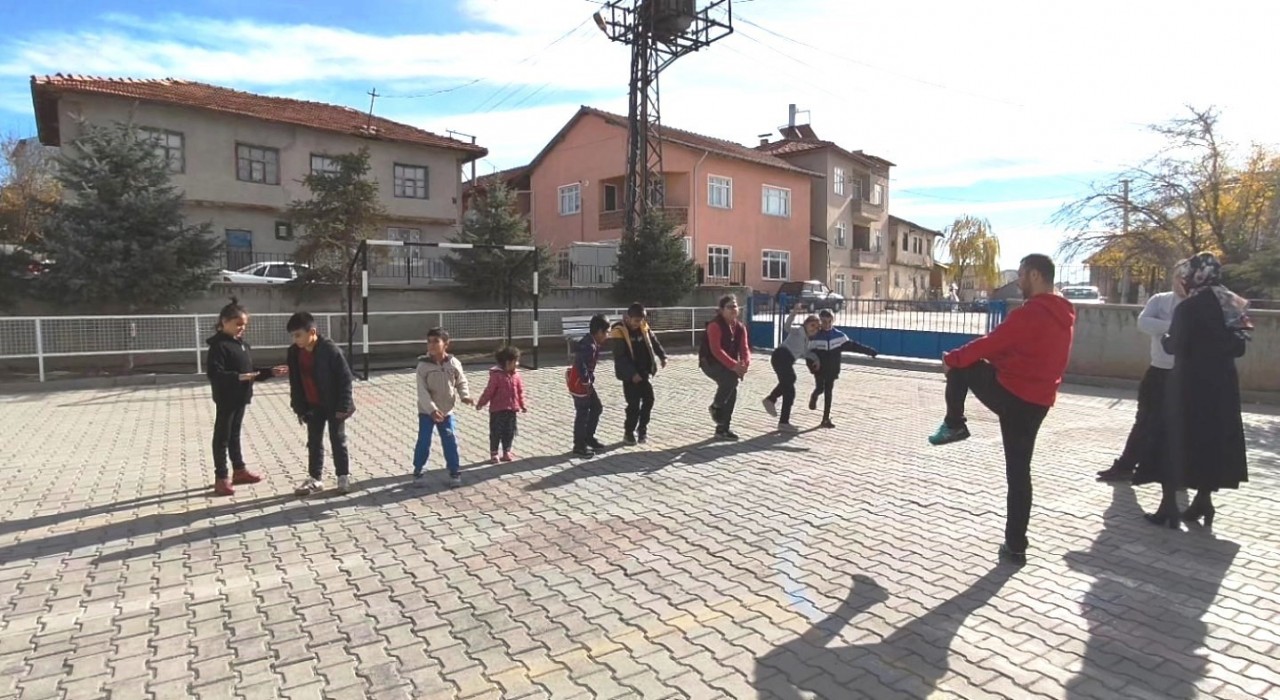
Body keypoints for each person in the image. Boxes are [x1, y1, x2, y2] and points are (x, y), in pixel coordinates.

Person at [926, 254, 1076, 565]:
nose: (1018, 282)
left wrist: (951, 358)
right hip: (1039, 403)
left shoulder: (1032, 312)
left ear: (1034, 275)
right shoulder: (1064, 314)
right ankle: (1016, 545)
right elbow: (1032, 354)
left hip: (1014, 396)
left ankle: (954, 423)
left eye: (1021, 275)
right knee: (1020, 475)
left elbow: (991, 344)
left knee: (962, 366)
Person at [1145, 253, 1251, 528]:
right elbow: (1239, 346)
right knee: (1211, 440)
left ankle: (1168, 506)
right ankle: (1203, 501)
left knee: (1172, 438)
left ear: (1196, 275)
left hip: (1188, 384)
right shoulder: (1233, 303)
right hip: (1222, 386)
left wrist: (1169, 339)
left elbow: (1174, 345)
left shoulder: (1189, 307)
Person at [1096, 269, 1187, 483]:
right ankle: (1126, 465)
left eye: (1187, 277)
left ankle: (1178, 475)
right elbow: (1143, 322)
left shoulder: (1196, 306)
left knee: (1179, 425)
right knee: (1144, 420)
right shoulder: (1160, 300)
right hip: (1158, 370)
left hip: (1185, 374)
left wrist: (1167, 327)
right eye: (1179, 276)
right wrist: (1176, 327)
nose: (1182, 282)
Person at [205, 298, 287, 496]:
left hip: (241, 397)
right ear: (224, 322)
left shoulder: (241, 345)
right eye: (238, 324)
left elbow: (250, 371)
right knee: (222, 437)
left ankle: (239, 470)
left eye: (244, 325)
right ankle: (221, 477)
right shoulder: (218, 346)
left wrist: (269, 372)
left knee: (234, 435)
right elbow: (214, 373)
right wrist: (238, 377)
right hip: (226, 397)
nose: (242, 328)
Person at [286, 312, 356, 496]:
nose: (295, 340)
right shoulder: (294, 352)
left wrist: (343, 406)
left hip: (335, 405)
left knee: (337, 440)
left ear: (312, 332)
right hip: (312, 405)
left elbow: (345, 379)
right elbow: (295, 381)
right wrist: (299, 407)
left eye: (298, 335)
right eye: (293, 336)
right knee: (314, 441)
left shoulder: (330, 350)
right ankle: (315, 479)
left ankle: (343, 477)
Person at [413, 328, 473, 487]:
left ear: (446, 344)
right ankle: (419, 470)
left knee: (450, 440)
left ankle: (454, 472)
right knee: (424, 441)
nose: (431, 345)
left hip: (446, 412)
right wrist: (431, 409)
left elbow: (461, 381)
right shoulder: (423, 366)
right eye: (429, 341)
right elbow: (422, 391)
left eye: (436, 341)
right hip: (427, 412)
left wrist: (464, 395)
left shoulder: (453, 363)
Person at [806, 309, 879, 429]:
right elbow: (809, 355)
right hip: (819, 370)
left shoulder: (839, 336)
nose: (827, 324)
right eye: (824, 322)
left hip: (832, 369)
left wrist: (870, 351)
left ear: (833, 321)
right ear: (820, 322)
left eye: (830, 322)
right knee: (820, 389)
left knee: (828, 392)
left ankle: (825, 419)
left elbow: (854, 346)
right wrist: (812, 368)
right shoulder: (815, 337)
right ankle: (814, 396)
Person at [609, 303, 668, 445]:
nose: (638, 323)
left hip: (644, 372)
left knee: (649, 400)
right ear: (628, 318)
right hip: (630, 376)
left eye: (641, 320)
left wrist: (662, 356)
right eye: (636, 320)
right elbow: (620, 357)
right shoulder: (619, 331)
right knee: (633, 405)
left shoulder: (643, 326)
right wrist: (632, 373)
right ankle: (628, 432)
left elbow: (654, 341)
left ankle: (642, 429)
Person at [699, 294, 751, 441]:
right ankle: (716, 406)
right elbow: (716, 350)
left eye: (735, 306)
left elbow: (745, 349)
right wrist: (734, 366)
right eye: (729, 306)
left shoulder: (740, 327)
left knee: (732, 392)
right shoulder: (715, 325)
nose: (733, 309)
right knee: (730, 379)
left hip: (729, 364)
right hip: (710, 362)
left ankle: (722, 428)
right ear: (721, 310)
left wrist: (744, 364)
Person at [762, 312, 820, 432]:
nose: (814, 328)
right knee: (791, 380)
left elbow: (807, 354)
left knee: (789, 390)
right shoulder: (799, 330)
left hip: (785, 360)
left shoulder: (806, 341)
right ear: (806, 324)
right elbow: (787, 327)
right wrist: (793, 313)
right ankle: (771, 401)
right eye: (812, 325)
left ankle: (782, 420)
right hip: (781, 355)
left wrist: (816, 359)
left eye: (817, 327)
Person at [566, 314, 610, 457]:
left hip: (584, 383)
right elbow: (580, 362)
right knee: (583, 413)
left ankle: (588, 437)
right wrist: (586, 380)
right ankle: (579, 445)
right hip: (580, 384)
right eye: (606, 332)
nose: (607, 336)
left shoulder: (591, 342)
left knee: (596, 407)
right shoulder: (589, 345)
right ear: (598, 332)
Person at [476, 345, 527, 464]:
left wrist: (522, 404)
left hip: (512, 409)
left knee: (509, 432)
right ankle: (494, 453)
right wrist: (481, 403)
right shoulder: (496, 375)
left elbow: (520, 391)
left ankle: (506, 451)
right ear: (508, 362)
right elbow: (489, 391)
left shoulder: (516, 375)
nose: (517, 363)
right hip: (497, 410)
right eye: (515, 361)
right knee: (496, 432)